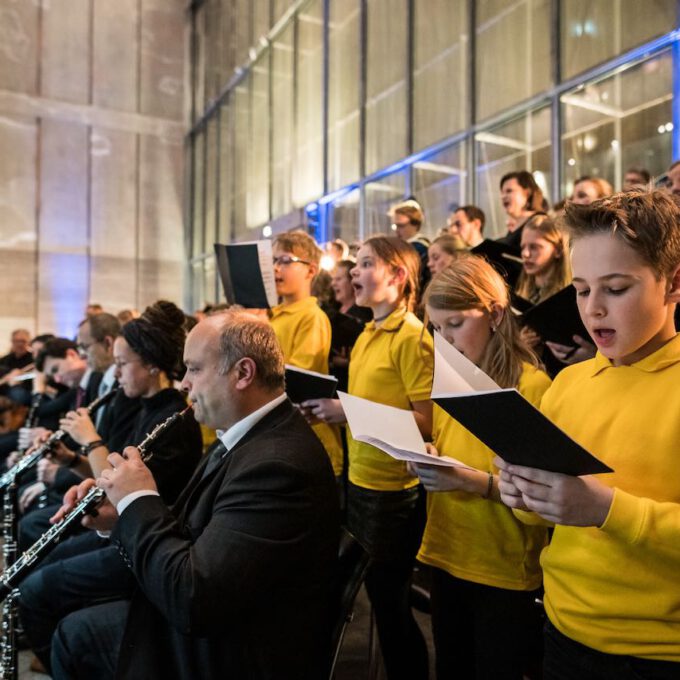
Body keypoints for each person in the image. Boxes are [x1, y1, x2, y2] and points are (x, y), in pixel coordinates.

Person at [50, 309, 340, 679]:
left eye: (195, 369)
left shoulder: (279, 464)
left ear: (243, 373)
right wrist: (122, 513)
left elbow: (192, 600)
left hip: (237, 654)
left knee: (74, 635)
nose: (183, 383)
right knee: (74, 625)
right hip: (224, 625)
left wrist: (139, 500)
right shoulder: (248, 434)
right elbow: (194, 531)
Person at [497, 190, 680, 680]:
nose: (593, 310)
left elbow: (593, 506)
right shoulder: (570, 383)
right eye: (580, 290)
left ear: (673, 284)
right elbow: (544, 515)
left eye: (616, 289)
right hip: (561, 627)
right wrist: (521, 492)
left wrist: (606, 510)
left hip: (657, 653)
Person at [18, 301, 203, 673]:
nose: (115, 374)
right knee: (46, 564)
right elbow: (109, 479)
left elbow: (121, 494)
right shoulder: (141, 406)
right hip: (122, 531)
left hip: (142, 545)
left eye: (123, 364)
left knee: (41, 585)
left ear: (151, 364)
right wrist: (72, 459)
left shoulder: (173, 419)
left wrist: (89, 442)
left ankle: (60, 655)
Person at [411, 256, 551, 679]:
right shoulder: (453, 379)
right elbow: (456, 447)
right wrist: (431, 454)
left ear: (493, 312)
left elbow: (540, 496)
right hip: (448, 549)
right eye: (437, 328)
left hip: (503, 565)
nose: (445, 339)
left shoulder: (531, 386)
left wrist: (468, 481)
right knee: (451, 667)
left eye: (454, 324)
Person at [302, 236, 433, 680]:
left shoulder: (412, 337)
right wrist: (331, 410)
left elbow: (426, 421)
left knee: (388, 602)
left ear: (398, 275)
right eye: (354, 265)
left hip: (394, 490)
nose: (355, 273)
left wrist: (348, 410)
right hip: (361, 478)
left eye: (366, 264)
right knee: (375, 598)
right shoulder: (366, 334)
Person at [269, 230, 344, 477]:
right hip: (282, 435)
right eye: (274, 261)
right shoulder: (272, 316)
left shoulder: (312, 317)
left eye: (286, 261)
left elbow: (298, 377)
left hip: (310, 440)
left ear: (311, 271)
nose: (277, 268)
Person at [516, 214, 571, 304]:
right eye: (523, 247)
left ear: (558, 250)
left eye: (534, 247)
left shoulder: (566, 298)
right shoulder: (522, 292)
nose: (525, 254)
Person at [496, 171, 545, 252]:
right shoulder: (514, 225)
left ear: (527, 194)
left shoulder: (540, 220)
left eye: (509, 191)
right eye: (502, 192)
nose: (503, 197)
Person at [390, 199, 431, 294]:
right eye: (395, 226)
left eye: (401, 226)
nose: (396, 231)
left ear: (415, 224)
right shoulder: (405, 245)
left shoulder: (419, 247)